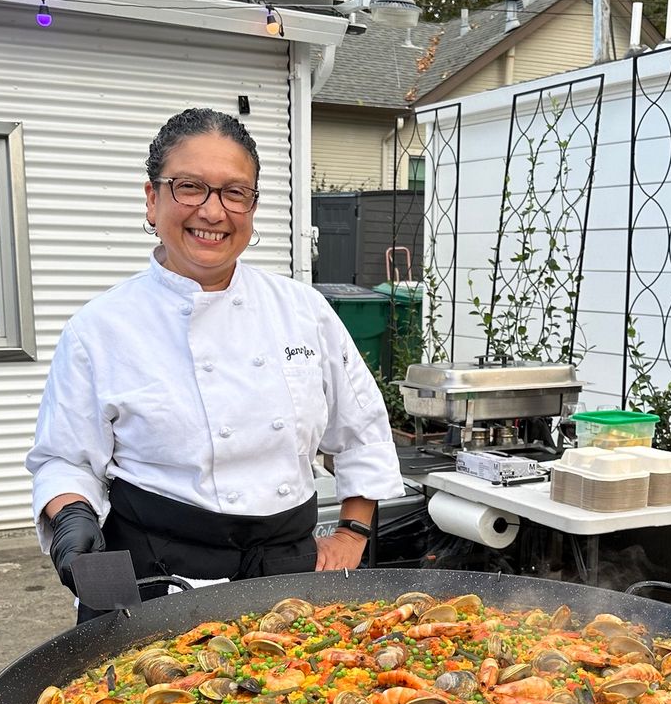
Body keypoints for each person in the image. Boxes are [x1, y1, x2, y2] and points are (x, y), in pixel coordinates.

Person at [27, 108, 405, 613]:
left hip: (287, 577)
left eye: (235, 192)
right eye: (189, 187)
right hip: (154, 578)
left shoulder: (302, 310)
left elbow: (362, 432)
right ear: (151, 200)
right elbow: (65, 459)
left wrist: (353, 532)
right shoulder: (100, 329)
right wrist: (72, 519)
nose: (213, 211)